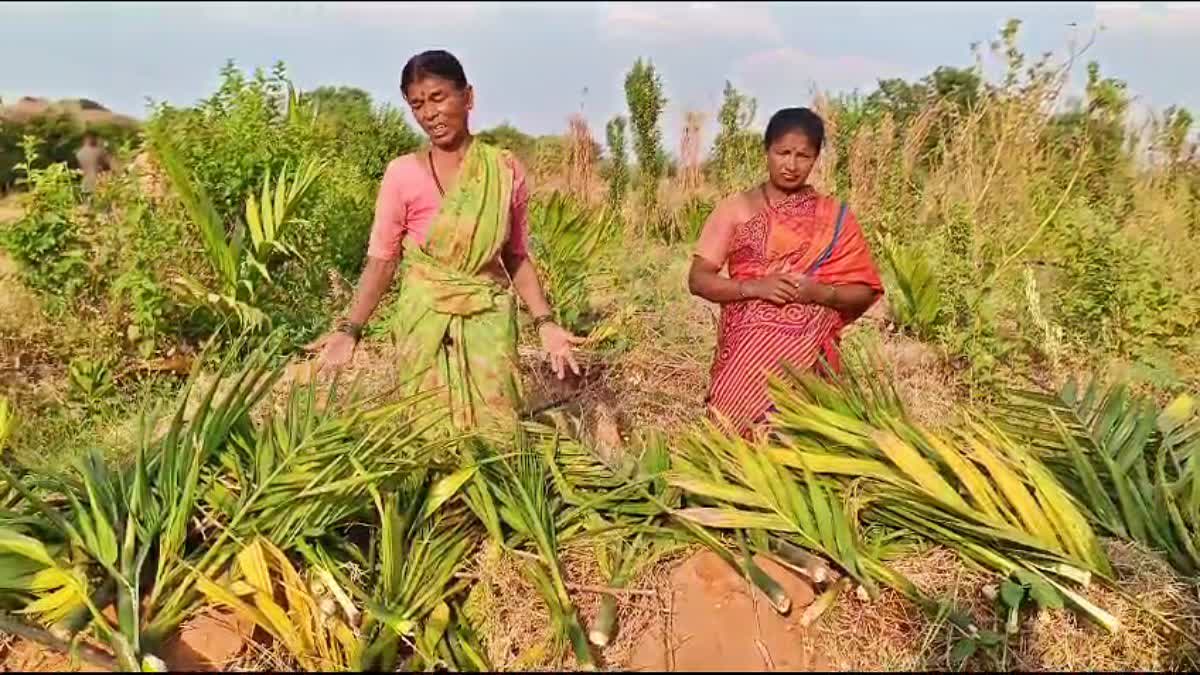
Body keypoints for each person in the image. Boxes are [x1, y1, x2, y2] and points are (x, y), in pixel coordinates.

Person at [305, 49, 584, 434]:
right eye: (417, 104)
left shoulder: (503, 170)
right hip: (424, 325)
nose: (429, 114)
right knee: (428, 436)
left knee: (497, 437)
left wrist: (546, 323)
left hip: (488, 327)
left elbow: (515, 255)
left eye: (438, 98)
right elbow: (382, 260)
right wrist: (349, 330)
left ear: (467, 97)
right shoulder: (401, 174)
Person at [688, 107, 884, 438]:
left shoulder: (834, 217)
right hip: (746, 354)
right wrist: (755, 288)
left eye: (803, 156)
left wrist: (819, 293)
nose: (791, 165)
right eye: (783, 153)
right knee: (732, 439)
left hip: (810, 361)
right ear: (766, 150)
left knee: (801, 452)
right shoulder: (736, 209)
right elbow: (698, 278)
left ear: (816, 158)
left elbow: (865, 290)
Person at [75, 131, 113, 196]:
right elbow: (109, 165)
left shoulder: (79, 153)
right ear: (93, 139)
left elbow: (79, 169)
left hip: (85, 185)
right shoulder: (99, 151)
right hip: (98, 183)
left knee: (87, 203)